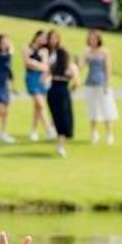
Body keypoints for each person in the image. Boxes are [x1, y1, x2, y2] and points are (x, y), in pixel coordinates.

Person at [43, 30, 75, 158]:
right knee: (59, 117)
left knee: (62, 118)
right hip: (56, 89)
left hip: (59, 88)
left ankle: (60, 143)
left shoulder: (62, 56)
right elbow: (47, 72)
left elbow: (70, 71)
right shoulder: (50, 55)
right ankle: (58, 140)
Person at [83, 30, 117, 146]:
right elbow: (81, 65)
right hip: (90, 83)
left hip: (101, 83)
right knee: (92, 109)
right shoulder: (87, 52)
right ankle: (94, 132)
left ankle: (110, 134)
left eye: (94, 38)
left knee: (107, 109)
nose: (92, 40)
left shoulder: (104, 52)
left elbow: (108, 69)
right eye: (90, 38)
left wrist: (107, 84)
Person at [22, 31, 50, 143]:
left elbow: (45, 67)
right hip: (31, 78)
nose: (44, 40)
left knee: (37, 107)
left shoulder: (44, 51)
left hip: (42, 78)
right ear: (37, 37)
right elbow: (27, 63)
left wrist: (34, 63)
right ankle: (49, 129)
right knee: (41, 104)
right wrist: (37, 64)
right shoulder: (26, 48)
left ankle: (34, 131)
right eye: (42, 37)